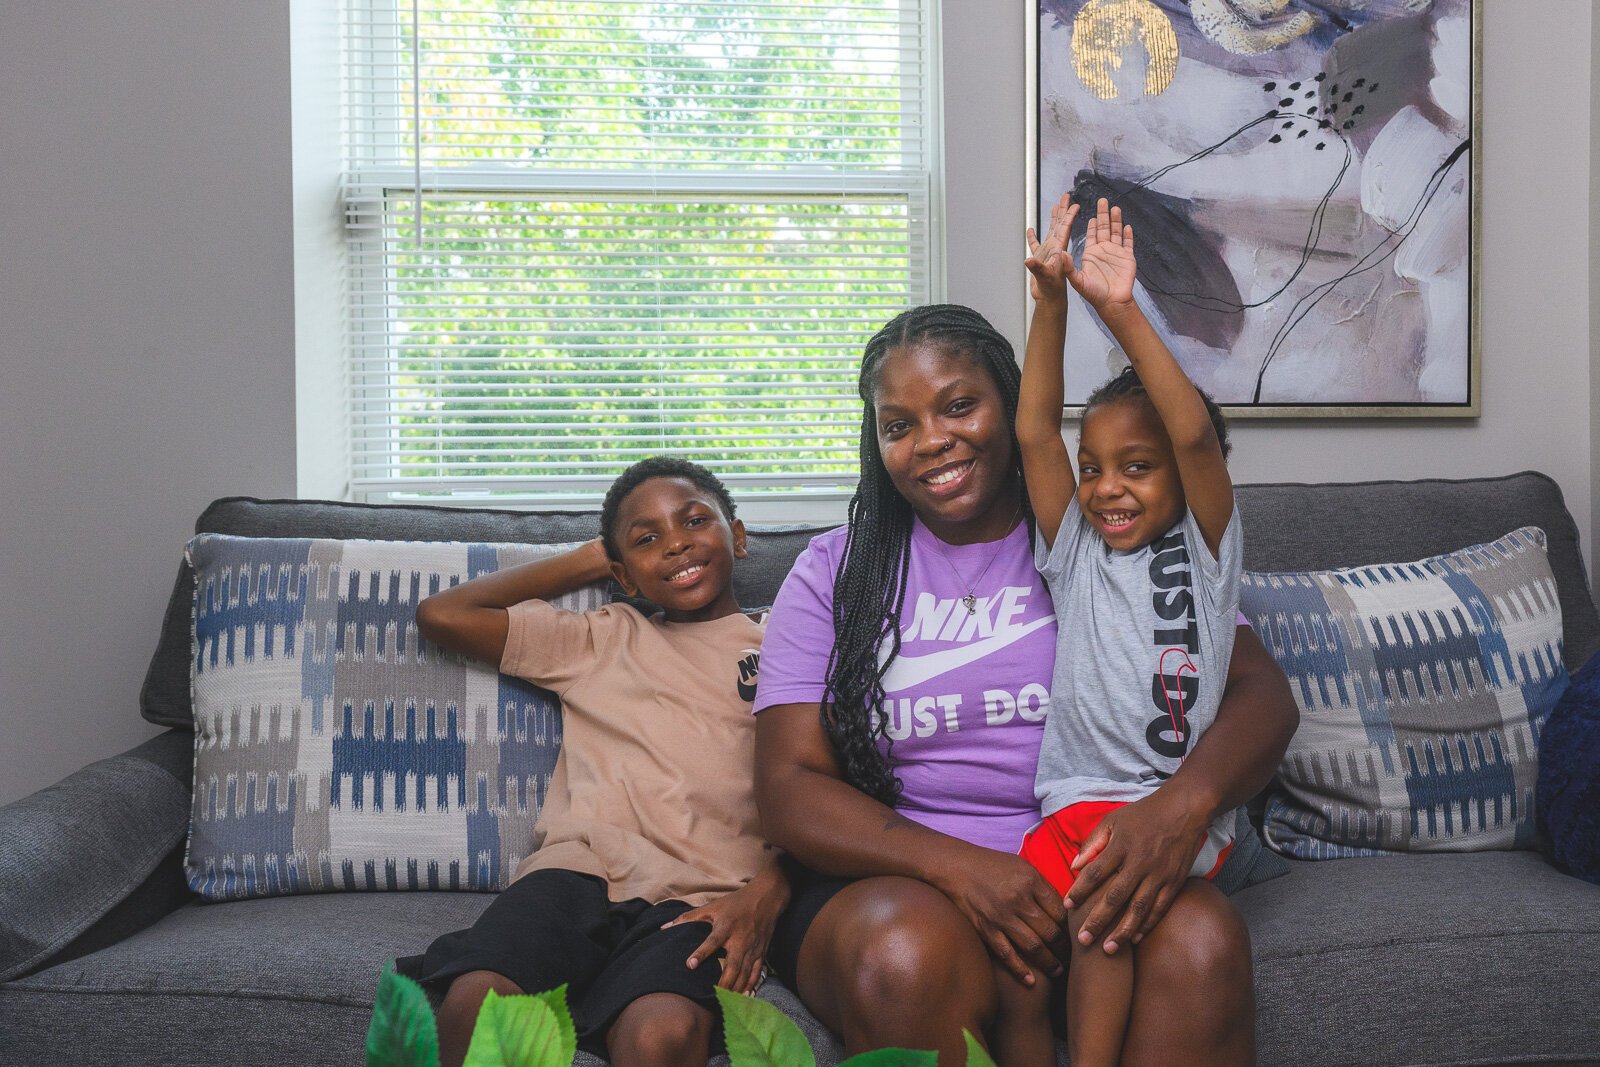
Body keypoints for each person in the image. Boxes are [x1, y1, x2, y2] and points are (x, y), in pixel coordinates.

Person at [753, 295, 1298, 1062]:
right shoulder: (834, 571)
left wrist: (1180, 809)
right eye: (898, 425)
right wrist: (966, 869)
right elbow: (786, 788)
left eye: (959, 405)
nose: (932, 440)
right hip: (909, 875)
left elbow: (1263, 696)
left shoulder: (1107, 544)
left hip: (1096, 867)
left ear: (1009, 408)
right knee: (907, 953)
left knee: (1202, 938)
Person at [398, 457, 788, 1067]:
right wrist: (592, 560)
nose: (677, 543)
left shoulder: (789, 645)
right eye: (647, 539)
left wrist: (771, 889)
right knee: (478, 1007)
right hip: (581, 872)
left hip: (706, 897)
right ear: (622, 574)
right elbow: (443, 616)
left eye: (694, 521)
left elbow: (833, 784)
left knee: (659, 1036)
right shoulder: (602, 637)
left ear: (736, 536)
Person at [1011, 193, 1248, 1067]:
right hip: (1076, 800)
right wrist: (1052, 307)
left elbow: (1190, 432)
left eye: (1136, 468)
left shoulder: (1209, 548)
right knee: (1056, 937)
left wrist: (1122, 310)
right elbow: (1033, 426)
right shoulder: (1074, 552)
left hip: (1162, 817)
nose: (1107, 487)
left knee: (1101, 915)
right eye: (1094, 469)